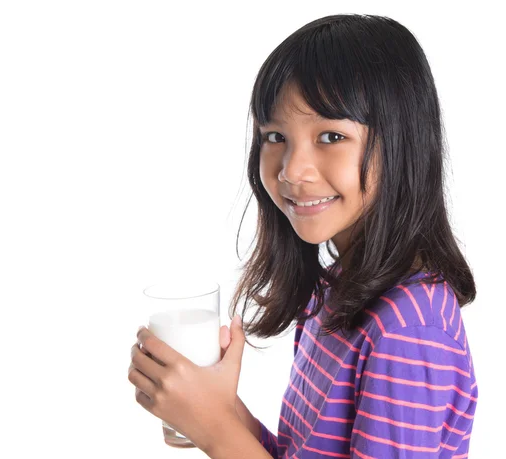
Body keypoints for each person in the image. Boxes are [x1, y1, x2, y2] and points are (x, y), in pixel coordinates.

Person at [128, 13, 477, 458]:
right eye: (275, 136)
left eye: (331, 135)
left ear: (403, 144)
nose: (292, 170)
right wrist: (215, 407)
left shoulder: (411, 328)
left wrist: (214, 428)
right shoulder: (335, 292)